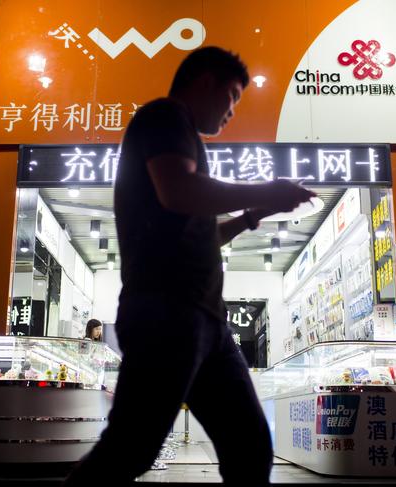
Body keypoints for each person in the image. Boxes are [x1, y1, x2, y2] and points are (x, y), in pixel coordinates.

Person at [63, 46, 315, 486]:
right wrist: (266, 190)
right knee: (132, 448)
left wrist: (253, 216)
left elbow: (204, 233)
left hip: (207, 323)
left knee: (250, 446)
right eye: (233, 96)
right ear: (205, 83)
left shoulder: (184, 140)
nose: (233, 111)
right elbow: (177, 191)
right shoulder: (163, 118)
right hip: (167, 312)